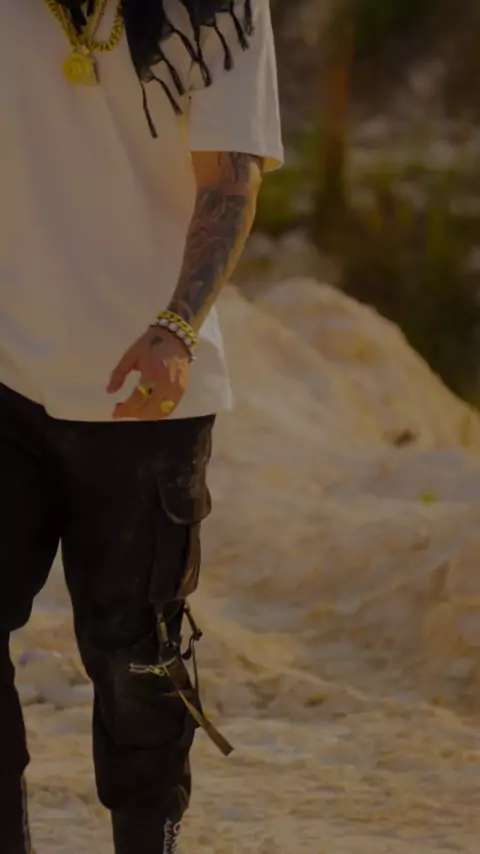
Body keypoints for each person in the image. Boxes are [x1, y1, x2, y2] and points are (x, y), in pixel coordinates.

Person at [0, 0, 283, 851]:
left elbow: (230, 179)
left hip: (148, 391)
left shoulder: (217, 10)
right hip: (5, 371)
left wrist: (177, 328)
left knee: (138, 658)